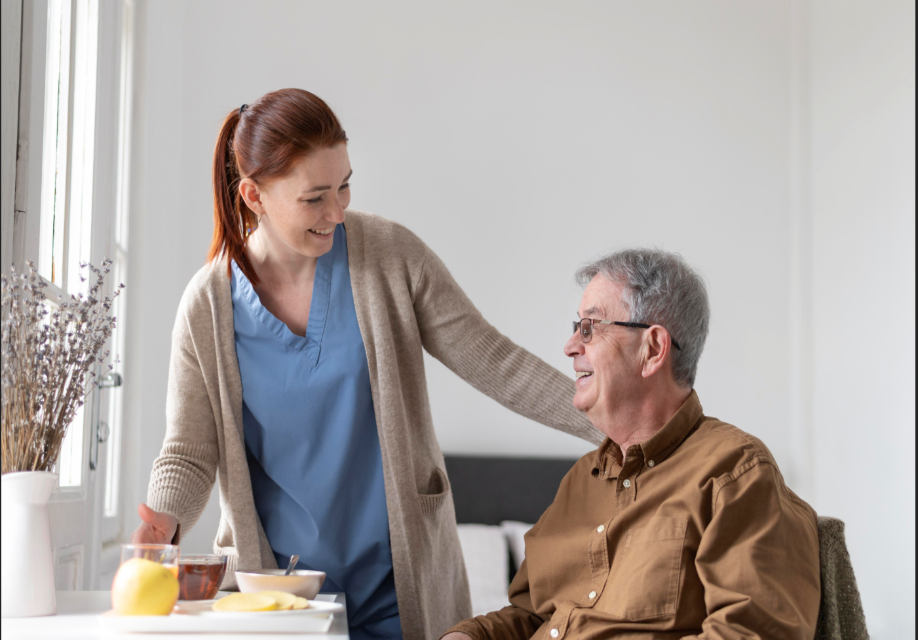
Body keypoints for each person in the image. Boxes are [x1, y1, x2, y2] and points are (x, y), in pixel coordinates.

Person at [130, 89, 602, 640]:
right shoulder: (207, 306)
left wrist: (615, 420)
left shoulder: (390, 256)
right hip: (279, 600)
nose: (337, 212)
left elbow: (495, 362)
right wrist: (165, 524)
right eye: (314, 198)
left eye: (344, 186)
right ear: (254, 195)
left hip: (400, 591)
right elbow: (189, 451)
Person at [442, 249, 821, 640]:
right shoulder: (579, 481)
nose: (570, 346)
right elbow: (532, 616)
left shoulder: (734, 472)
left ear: (653, 349)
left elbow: (753, 632)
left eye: (589, 327)